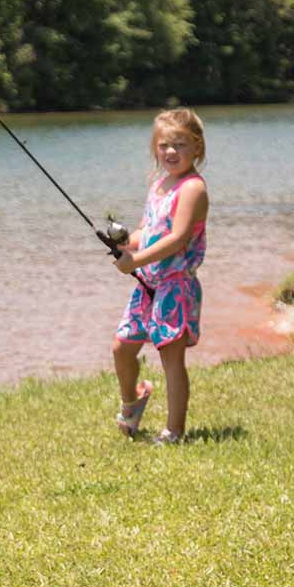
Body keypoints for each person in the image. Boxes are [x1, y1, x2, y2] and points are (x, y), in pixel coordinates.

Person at [111, 108, 209, 445]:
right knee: (122, 348)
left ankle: (174, 431)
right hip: (148, 284)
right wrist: (125, 245)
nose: (171, 152)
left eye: (180, 145)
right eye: (164, 145)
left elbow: (177, 238)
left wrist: (136, 259)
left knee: (171, 359)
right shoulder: (158, 184)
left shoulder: (193, 188)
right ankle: (133, 401)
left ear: (197, 147)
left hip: (176, 286)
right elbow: (147, 230)